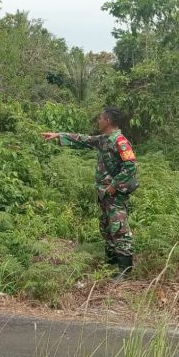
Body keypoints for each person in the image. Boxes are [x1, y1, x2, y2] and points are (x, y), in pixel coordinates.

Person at [42, 107, 139, 276]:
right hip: (105, 194)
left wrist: (114, 185)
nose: (98, 121)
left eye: (100, 119)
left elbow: (131, 166)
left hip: (115, 194)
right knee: (107, 227)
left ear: (108, 121)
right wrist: (59, 135)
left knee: (119, 228)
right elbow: (84, 139)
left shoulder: (120, 141)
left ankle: (125, 271)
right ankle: (111, 264)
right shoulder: (104, 139)